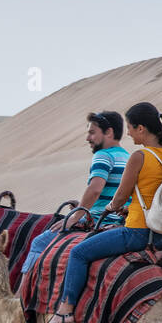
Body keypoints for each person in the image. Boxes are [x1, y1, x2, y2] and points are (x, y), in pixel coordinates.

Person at [40, 103, 162, 323]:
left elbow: (118, 198)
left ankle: (65, 311)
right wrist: (128, 208)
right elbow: (157, 195)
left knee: (78, 253)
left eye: (131, 128)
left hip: (137, 232)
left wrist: (112, 207)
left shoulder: (139, 156)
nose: (128, 133)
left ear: (142, 128)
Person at [19, 111, 131, 275]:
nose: (88, 138)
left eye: (92, 133)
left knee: (38, 243)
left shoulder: (103, 155)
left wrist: (74, 217)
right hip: (120, 222)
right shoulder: (127, 157)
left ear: (109, 132)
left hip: (101, 221)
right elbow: (111, 193)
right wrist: (81, 205)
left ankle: (22, 298)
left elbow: (95, 189)